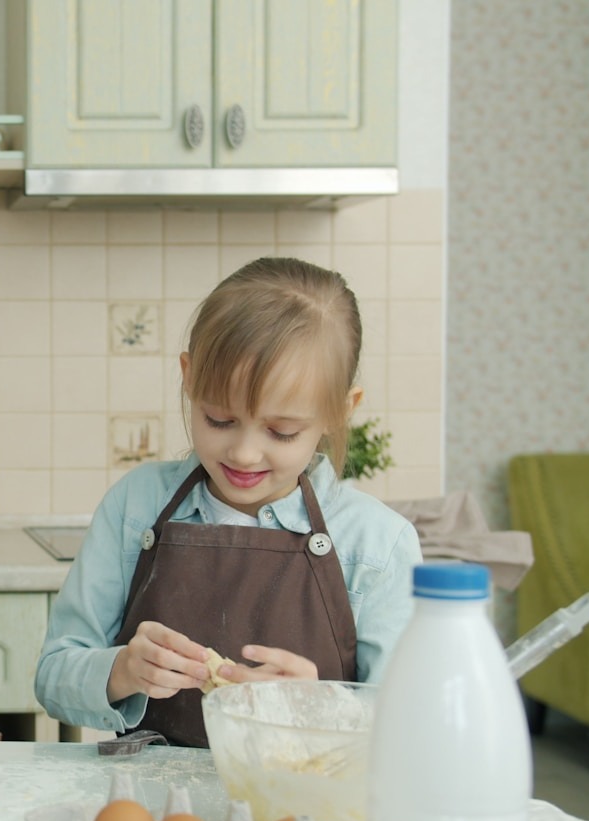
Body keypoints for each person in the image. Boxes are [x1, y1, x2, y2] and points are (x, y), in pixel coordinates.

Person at [34, 257, 422, 747]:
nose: (243, 452)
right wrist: (123, 670)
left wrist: (323, 708)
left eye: (282, 432)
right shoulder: (137, 506)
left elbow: (412, 727)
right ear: (189, 379)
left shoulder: (377, 546)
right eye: (219, 419)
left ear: (339, 412)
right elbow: (53, 675)